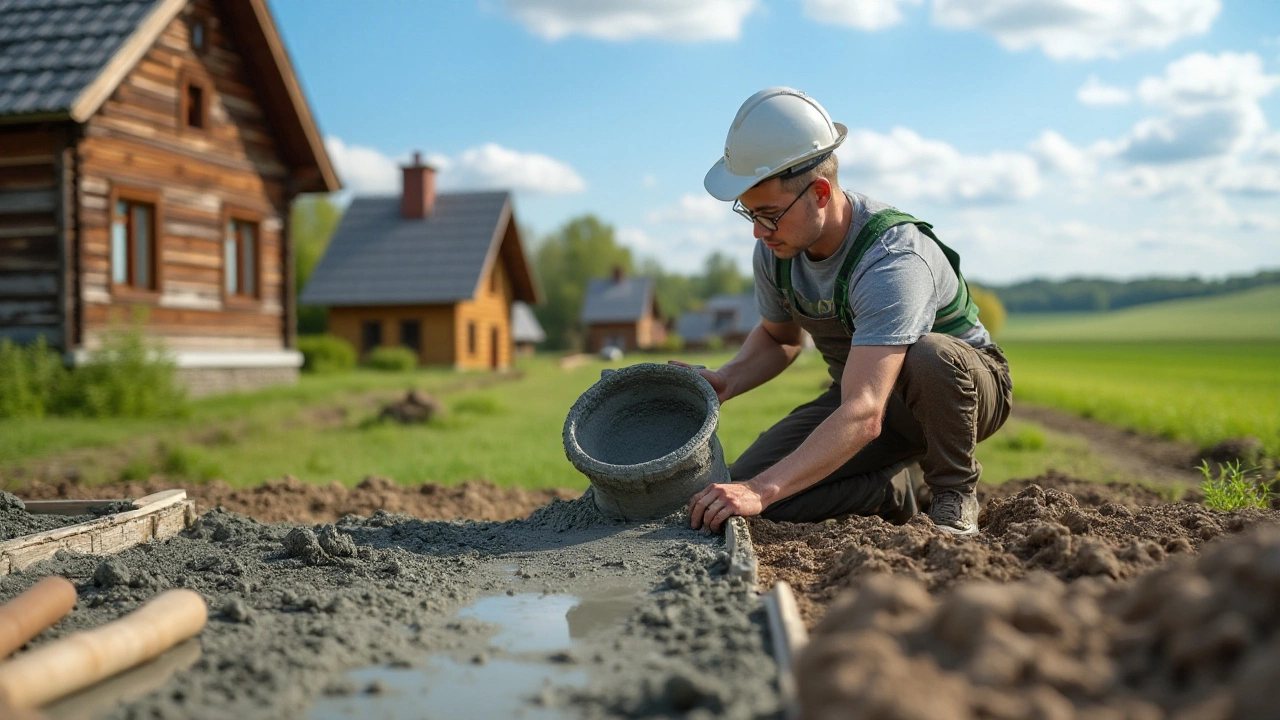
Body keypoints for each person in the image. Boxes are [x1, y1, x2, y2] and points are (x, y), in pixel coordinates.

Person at [678, 87, 1012, 536]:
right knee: (737, 494)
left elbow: (864, 411)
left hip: (959, 396)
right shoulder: (778, 250)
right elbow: (781, 339)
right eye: (750, 213)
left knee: (929, 355)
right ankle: (891, 492)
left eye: (770, 214)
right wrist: (727, 379)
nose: (758, 231)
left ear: (819, 192)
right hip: (863, 396)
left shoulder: (891, 258)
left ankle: (953, 492)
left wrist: (765, 488)